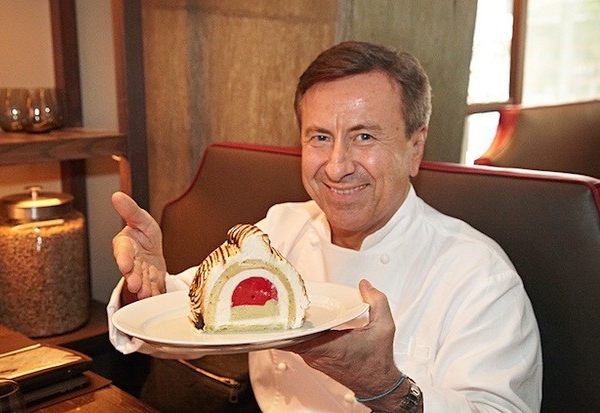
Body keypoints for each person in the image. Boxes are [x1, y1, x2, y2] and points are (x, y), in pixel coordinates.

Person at [108, 41, 542, 412]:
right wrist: (145, 290)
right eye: (320, 137)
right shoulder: (282, 228)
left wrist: (385, 387)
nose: (336, 167)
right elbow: (186, 322)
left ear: (415, 147)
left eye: (364, 136)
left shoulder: (479, 276)